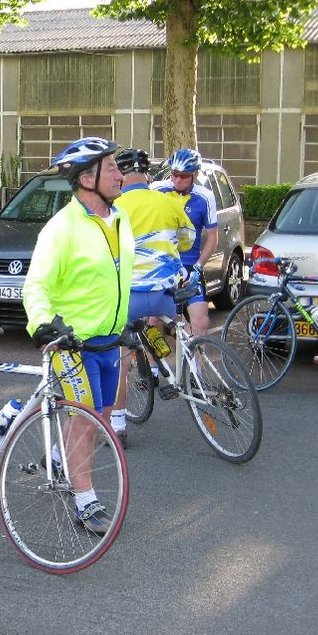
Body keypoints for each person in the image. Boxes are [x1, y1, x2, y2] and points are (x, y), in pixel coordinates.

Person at [22, 136, 133, 534]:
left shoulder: (119, 219)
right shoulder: (61, 228)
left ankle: (57, 455)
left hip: (108, 341)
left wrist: (128, 321)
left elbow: (118, 277)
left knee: (100, 420)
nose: (121, 174)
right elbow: (36, 285)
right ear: (87, 177)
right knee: (87, 421)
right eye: (112, 168)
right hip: (72, 344)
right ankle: (84, 497)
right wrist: (43, 325)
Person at [112, 147, 196, 442]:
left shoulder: (115, 208)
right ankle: (189, 372)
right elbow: (188, 239)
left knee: (120, 358)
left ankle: (119, 425)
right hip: (164, 294)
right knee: (175, 324)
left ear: (120, 176)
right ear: (148, 175)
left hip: (130, 297)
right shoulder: (168, 202)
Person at [151, 148, 217, 336]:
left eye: (183, 176)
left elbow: (213, 238)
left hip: (189, 267)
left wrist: (198, 267)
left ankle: (195, 365)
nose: (177, 180)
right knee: (154, 321)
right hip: (162, 265)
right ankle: (155, 366)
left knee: (201, 322)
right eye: (174, 174)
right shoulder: (157, 189)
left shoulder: (205, 197)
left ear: (195, 174)